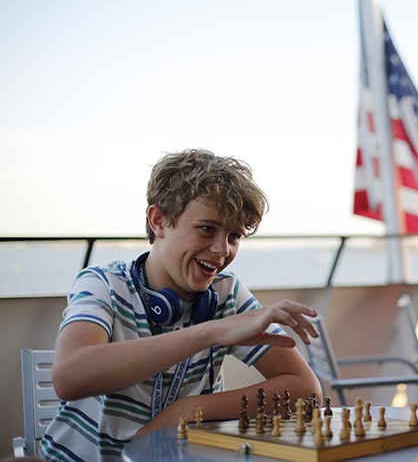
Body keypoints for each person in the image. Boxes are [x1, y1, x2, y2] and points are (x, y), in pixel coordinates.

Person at [40, 149, 322, 461]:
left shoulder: (227, 295)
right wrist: (210, 333)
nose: (222, 250)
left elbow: (307, 391)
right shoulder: (102, 284)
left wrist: (188, 410)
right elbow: (68, 377)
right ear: (158, 220)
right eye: (207, 229)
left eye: (234, 236)